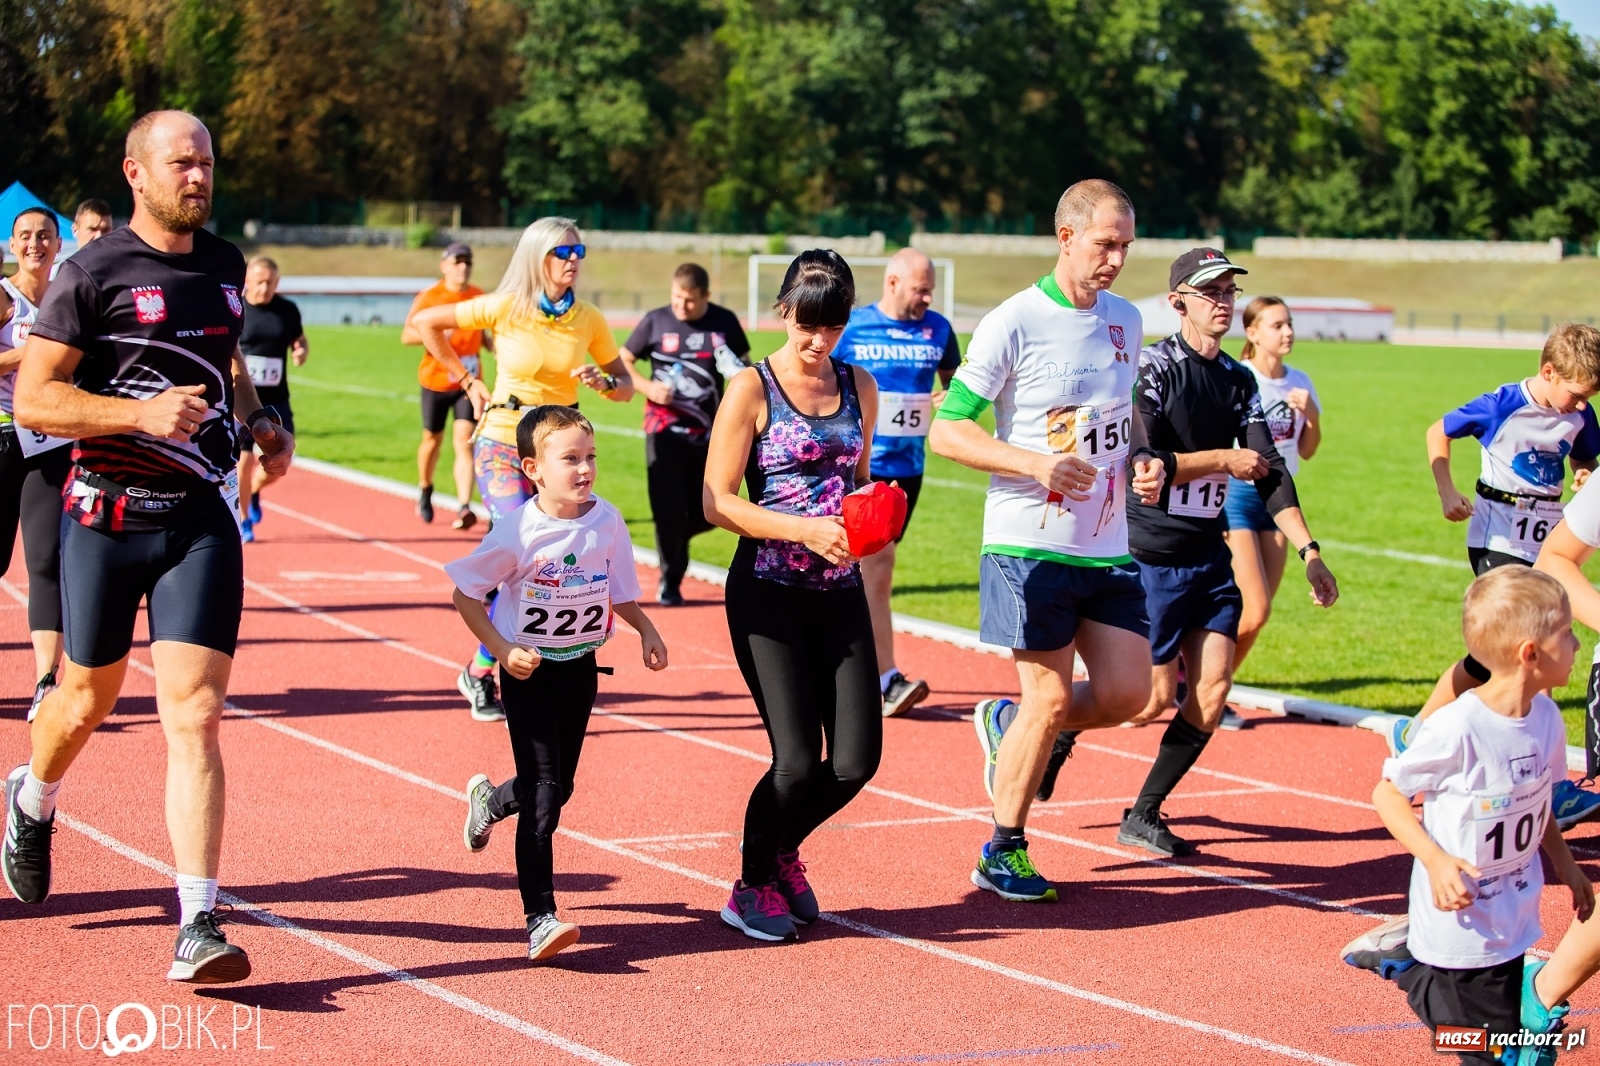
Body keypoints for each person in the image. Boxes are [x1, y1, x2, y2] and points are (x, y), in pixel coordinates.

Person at [2, 110, 294, 984]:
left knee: (196, 714)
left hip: (197, 518)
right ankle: (32, 798)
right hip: (104, 518)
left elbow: (227, 360)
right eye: (182, 163)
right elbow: (35, 403)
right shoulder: (89, 275)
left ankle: (197, 920)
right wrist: (135, 413)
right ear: (136, 172)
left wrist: (258, 422)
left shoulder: (224, 265)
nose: (199, 177)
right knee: (83, 703)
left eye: (207, 162)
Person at [927, 180, 1165, 901]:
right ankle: (1003, 848)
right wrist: (1035, 463)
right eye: (1105, 244)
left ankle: (1010, 722)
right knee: (1051, 697)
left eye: (1126, 245)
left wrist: (1143, 460)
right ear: (1066, 237)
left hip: (1107, 542)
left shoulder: (1127, 321)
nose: (1117, 259)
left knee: (1132, 694)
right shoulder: (1013, 323)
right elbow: (949, 429)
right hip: (1028, 543)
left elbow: (1120, 418)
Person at [1118, 248, 1338, 857]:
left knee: (1212, 689)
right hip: (1151, 555)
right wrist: (1222, 460)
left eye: (1229, 290)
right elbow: (1145, 459)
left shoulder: (1240, 382)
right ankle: (1044, 732)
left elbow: (1267, 472)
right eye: (1209, 290)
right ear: (1178, 301)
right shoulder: (1155, 368)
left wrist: (1309, 551)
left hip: (1208, 556)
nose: (1223, 300)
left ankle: (1144, 812)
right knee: (1148, 698)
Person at [704, 249, 884, 942]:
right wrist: (803, 529)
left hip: (840, 592)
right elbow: (717, 501)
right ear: (784, 313)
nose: (818, 342)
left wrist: (874, 513)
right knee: (797, 759)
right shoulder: (752, 389)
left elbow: (859, 476)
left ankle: (780, 849)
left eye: (832, 328)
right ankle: (751, 885)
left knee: (856, 761)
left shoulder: (859, 384)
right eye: (807, 326)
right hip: (767, 594)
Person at [448, 405, 667, 962]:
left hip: (581, 669)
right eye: (570, 459)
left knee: (556, 787)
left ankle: (490, 802)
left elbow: (619, 593)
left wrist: (645, 630)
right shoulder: (518, 529)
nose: (585, 468)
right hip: (530, 672)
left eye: (590, 457)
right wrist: (501, 650)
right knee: (546, 796)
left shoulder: (608, 521)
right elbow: (466, 594)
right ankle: (540, 919)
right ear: (533, 469)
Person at [1360, 566, 1591, 1065]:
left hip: (1513, 917)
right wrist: (1436, 860)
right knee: (1484, 1052)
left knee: (1492, 1039)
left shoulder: (1547, 719)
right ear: (1530, 654)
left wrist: (1567, 866)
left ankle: (1412, 972)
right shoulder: (1458, 727)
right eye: (1567, 634)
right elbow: (1388, 794)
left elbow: (1540, 802)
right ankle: (1417, 974)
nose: (1577, 645)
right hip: (1458, 922)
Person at [412, 217, 633, 724]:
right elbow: (429, 325)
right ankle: (500, 660)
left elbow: (624, 385)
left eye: (579, 250)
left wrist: (602, 380)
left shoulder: (589, 318)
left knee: (545, 557)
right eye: (562, 252)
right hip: (502, 440)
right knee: (522, 542)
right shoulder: (507, 306)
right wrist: (467, 381)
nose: (573, 260)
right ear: (538, 258)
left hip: (560, 452)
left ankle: (482, 666)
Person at [1391, 325, 1600, 830]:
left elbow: (1585, 453)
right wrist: (1446, 490)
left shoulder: (1580, 413)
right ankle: (1553, 788)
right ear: (1548, 372)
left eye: (1588, 399)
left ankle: (1415, 731)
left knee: (1488, 663)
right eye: (1575, 394)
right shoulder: (1502, 404)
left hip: (1549, 537)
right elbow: (1436, 430)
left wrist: (1583, 473)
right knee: (1542, 648)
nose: (1579, 406)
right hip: (1498, 536)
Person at [838, 249, 961, 717]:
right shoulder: (854, 328)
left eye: (930, 288)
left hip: (909, 471)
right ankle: (883, 677)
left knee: (867, 571)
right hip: (859, 467)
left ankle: (853, 669)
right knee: (878, 568)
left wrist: (947, 400)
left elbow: (960, 390)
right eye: (919, 288)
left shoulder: (940, 330)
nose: (927, 296)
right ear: (892, 283)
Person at [620, 262, 750, 606]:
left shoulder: (724, 323)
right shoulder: (656, 321)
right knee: (668, 510)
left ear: (706, 296)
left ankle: (677, 540)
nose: (682, 306)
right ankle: (670, 580)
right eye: (677, 298)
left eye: (690, 300)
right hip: (663, 432)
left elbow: (747, 373)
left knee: (710, 510)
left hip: (712, 435)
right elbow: (622, 361)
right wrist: (648, 386)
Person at [1220, 296, 1320, 730]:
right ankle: (1207, 688)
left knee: (1261, 610)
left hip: (1279, 500)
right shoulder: (1241, 379)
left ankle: (1208, 684)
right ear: (1253, 332)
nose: (1288, 332)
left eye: (1290, 324)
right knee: (1254, 609)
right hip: (1239, 497)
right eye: (1277, 325)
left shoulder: (1300, 382)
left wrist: (1310, 413)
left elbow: (1307, 451)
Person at [0, 209, 72, 720]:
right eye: (25, 236)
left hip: (49, 446)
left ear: (57, 243)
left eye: (43, 236)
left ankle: (47, 680)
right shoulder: (4, 297)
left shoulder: (66, 297)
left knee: (46, 563)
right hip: (3, 439)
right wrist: (29, 354)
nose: (34, 244)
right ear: (11, 244)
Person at [402, 242, 488, 529]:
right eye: (457, 261)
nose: (463, 267)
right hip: (436, 380)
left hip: (470, 382)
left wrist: (493, 343)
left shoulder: (478, 296)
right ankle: (425, 487)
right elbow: (407, 336)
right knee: (432, 440)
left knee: (465, 441)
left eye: (468, 262)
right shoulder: (430, 297)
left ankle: (464, 505)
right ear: (445, 266)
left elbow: (485, 333)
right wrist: (438, 332)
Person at [235, 256, 306, 542]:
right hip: (242, 398)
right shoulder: (237, 308)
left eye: (270, 282)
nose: (264, 287)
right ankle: (243, 520)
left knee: (278, 460)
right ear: (248, 281)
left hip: (277, 400)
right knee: (243, 460)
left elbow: (299, 339)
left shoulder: (287, 310)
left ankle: (252, 491)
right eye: (259, 281)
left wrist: (301, 351)